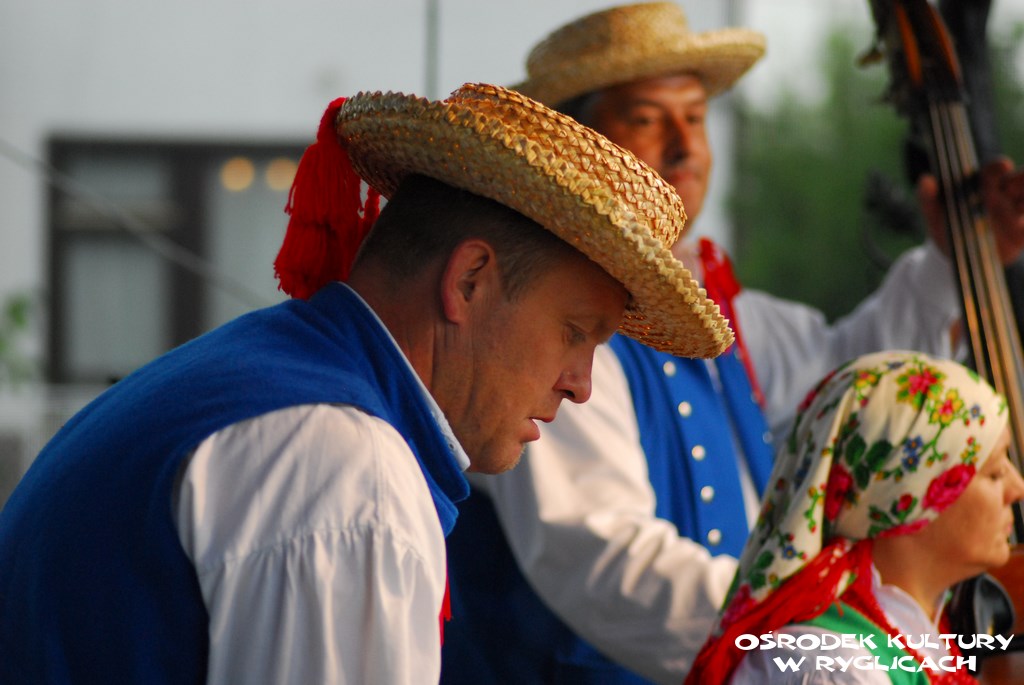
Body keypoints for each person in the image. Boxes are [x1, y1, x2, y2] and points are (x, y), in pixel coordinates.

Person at [0, 83, 735, 684]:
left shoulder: (265, 378)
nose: (581, 386)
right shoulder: (348, 468)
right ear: (470, 280)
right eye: (575, 332)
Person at [440, 4, 1024, 684]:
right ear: (580, 142)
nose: (684, 145)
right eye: (647, 118)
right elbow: (599, 553)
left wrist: (953, 263)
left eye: (695, 118)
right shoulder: (541, 327)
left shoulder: (728, 307)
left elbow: (867, 407)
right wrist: (819, 631)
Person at [686, 349, 1024, 684]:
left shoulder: (931, 625)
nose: (1018, 488)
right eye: (995, 473)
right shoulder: (835, 667)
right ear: (910, 499)